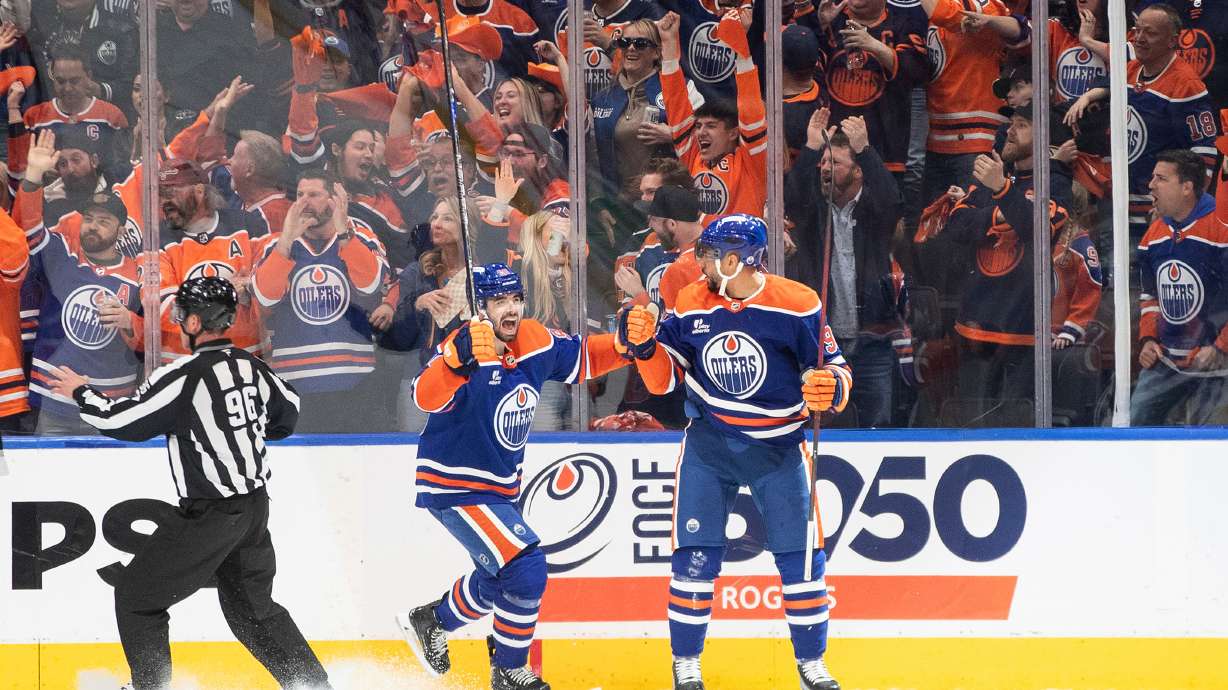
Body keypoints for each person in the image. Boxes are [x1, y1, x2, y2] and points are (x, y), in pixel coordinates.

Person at [45, 276, 331, 690]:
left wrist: (82, 393)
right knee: (253, 612)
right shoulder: (251, 366)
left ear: (195, 322)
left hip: (211, 515)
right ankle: (313, 685)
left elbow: (122, 422)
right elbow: (288, 411)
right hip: (254, 509)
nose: (179, 322)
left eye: (182, 315)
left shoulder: (185, 376)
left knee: (136, 598)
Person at [396, 263, 655, 690]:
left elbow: (584, 358)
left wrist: (625, 345)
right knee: (527, 567)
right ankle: (509, 669)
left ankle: (433, 620)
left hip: (499, 488)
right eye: (499, 301)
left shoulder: (534, 339)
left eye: (516, 299)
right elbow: (424, 396)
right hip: (455, 485)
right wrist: (457, 362)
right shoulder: (460, 346)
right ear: (479, 307)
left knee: (498, 578)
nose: (512, 309)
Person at [625, 214, 849, 690]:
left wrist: (831, 387)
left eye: (709, 256)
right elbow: (665, 381)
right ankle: (686, 664)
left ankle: (812, 664)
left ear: (734, 261)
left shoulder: (798, 304)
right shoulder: (690, 301)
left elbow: (837, 368)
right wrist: (645, 349)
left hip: (779, 450)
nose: (700, 263)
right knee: (694, 561)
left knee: (802, 562)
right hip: (710, 447)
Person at [785, 110, 906, 427]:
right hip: (822, 345)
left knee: (877, 426)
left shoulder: (873, 211)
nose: (825, 168)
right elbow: (792, 199)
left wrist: (865, 150)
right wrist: (811, 148)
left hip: (872, 341)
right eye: (823, 162)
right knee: (819, 425)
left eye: (835, 163)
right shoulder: (813, 212)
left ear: (858, 171)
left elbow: (892, 201)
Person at [17, 136, 143, 435]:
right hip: (54, 400)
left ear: (121, 231)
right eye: (89, 218)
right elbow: (28, 228)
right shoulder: (62, 255)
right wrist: (32, 178)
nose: (93, 226)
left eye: (104, 221)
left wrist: (130, 321)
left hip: (110, 406)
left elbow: (151, 339)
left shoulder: (137, 274)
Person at [251, 169, 389, 433]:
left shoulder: (362, 238)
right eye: (300, 195)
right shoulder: (276, 245)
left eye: (314, 194)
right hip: (294, 384)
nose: (304, 202)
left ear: (335, 200)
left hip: (356, 382)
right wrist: (286, 241)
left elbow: (370, 285)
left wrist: (344, 233)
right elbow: (265, 297)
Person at [1064, 3, 1218, 236]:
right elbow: (1112, 81)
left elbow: (1205, 150)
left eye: (1150, 33)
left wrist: (1188, 207)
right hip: (1116, 203)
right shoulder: (1131, 68)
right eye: (1137, 30)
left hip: (1155, 212)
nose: (1139, 38)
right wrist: (1090, 95)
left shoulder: (1186, 86)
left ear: (1172, 40)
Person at [1133, 148, 1228, 425]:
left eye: (1161, 179)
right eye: (1153, 177)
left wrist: (1221, 347)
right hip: (1167, 362)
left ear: (1187, 187)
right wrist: (1148, 340)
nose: (1151, 185)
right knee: (1134, 428)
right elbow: (1150, 296)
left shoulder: (1221, 228)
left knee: (1210, 440)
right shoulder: (1154, 235)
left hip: (1217, 364)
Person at [156, 158, 269, 365]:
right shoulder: (156, 239)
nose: (164, 202)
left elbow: (269, 291)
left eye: (170, 193)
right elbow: (163, 308)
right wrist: (229, 293)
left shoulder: (248, 224)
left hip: (245, 362)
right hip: (184, 367)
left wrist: (251, 291)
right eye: (160, 195)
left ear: (199, 191)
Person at [658, 9, 766, 224]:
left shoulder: (753, 163)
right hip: (701, 245)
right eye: (698, 126)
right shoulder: (693, 157)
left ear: (733, 132)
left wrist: (742, 54)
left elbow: (750, 110)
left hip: (742, 244)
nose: (701, 132)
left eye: (711, 125)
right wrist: (669, 45)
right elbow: (677, 107)